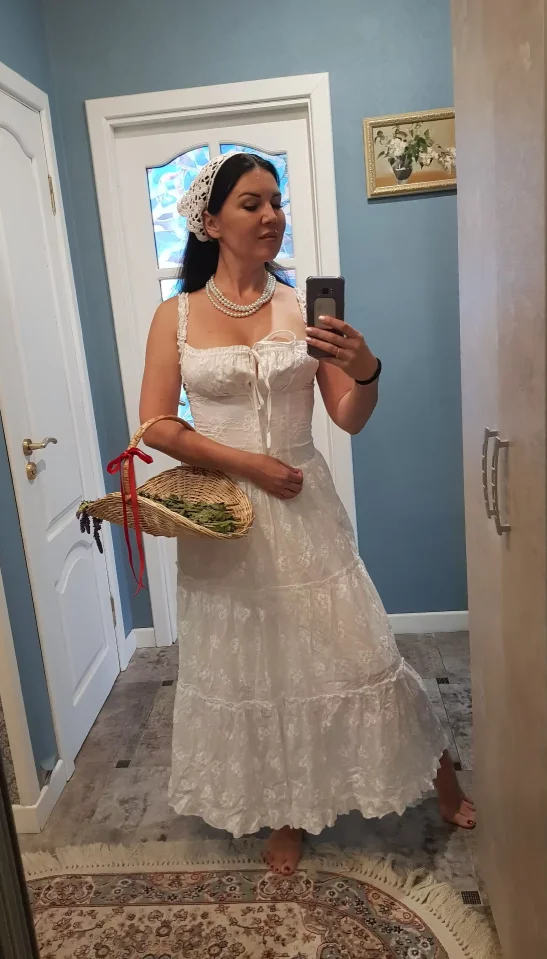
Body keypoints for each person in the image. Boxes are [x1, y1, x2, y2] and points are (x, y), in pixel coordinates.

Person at [139, 151, 476, 876]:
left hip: (303, 504)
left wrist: (367, 369)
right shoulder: (175, 316)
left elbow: (348, 417)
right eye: (252, 203)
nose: (271, 215)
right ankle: (286, 811)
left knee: (363, 651)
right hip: (225, 518)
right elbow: (156, 425)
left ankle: (439, 775)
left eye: (276, 201)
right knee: (259, 666)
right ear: (210, 222)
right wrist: (246, 463)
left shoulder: (301, 308)